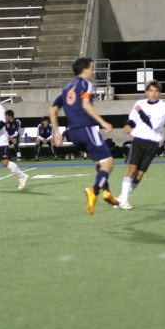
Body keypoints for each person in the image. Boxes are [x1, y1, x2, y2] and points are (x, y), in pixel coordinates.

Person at [49, 57, 118, 214]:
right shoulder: (86, 84)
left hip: (73, 133)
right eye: (91, 68)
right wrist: (103, 122)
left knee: (101, 163)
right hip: (86, 129)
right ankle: (94, 191)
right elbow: (86, 105)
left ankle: (107, 193)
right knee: (108, 163)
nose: (93, 71)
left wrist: (57, 132)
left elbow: (52, 110)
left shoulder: (67, 88)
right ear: (85, 69)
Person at [117, 80, 165, 210]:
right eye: (151, 91)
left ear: (159, 93)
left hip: (152, 143)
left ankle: (122, 197)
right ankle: (124, 200)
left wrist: (140, 112)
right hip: (138, 140)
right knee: (132, 169)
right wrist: (127, 125)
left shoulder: (163, 106)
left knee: (139, 175)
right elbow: (132, 119)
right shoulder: (139, 103)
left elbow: (152, 124)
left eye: (156, 91)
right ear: (146, 92)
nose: (153, 93)